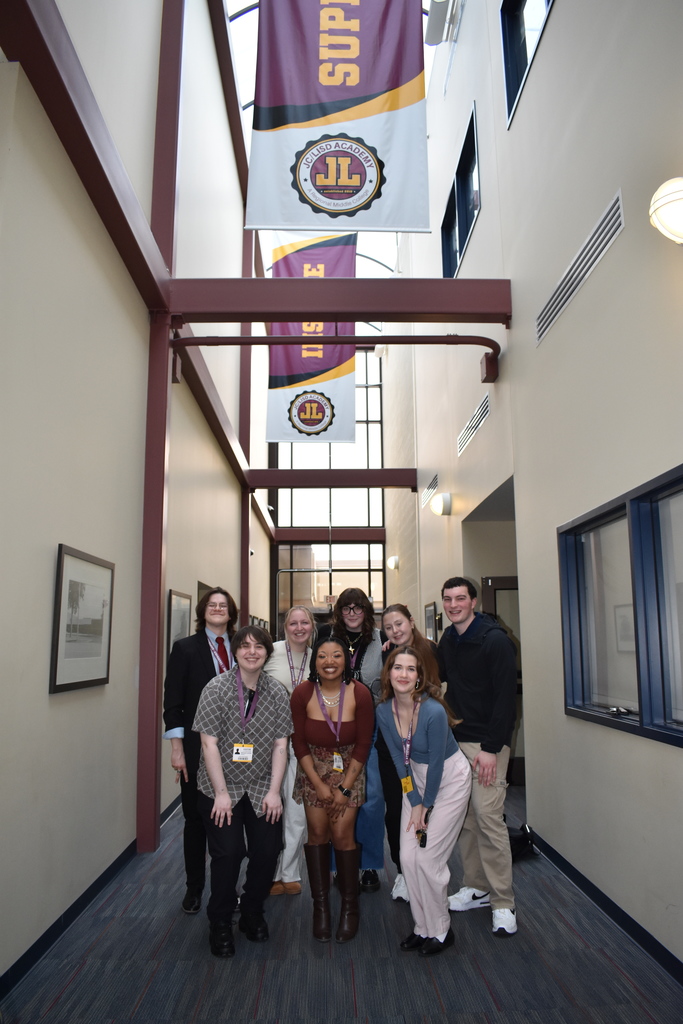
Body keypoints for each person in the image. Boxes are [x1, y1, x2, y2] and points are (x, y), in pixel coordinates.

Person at [192, 625, 292, 958]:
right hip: (221, 786)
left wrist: (275, 792)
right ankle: (220, 920)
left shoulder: (276, 692)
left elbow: (281, 744)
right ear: (235, 652)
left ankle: (251, 909)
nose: (252, 652)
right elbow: (208, 744)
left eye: (259, 646)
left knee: (268, 850)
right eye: (245, 646)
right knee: (229, 853)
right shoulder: (216, 688)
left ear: (267, 653)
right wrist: (221, 794)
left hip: (262, 784)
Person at [377, 645, 471, 955]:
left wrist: (425, 807)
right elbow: (398, 758)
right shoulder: (384, 711)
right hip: (415, 783)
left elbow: (438, 763)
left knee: (428, 859)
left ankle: (441, 930)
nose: (403, 674)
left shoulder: (432, 711)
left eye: (410, 669)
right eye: (398, 667)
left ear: (419, 676)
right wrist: (414, 800)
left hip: (449, 781)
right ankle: (422, 927)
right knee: (407, 858)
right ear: (389, 673)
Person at [437, 577, 519, 936]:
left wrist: (491, 749)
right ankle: (476, 887)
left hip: (486, 744)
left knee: (488, 818)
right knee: (466, 819)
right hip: (456, 741)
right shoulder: (449, 639)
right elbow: (437, 676)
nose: (453, 605)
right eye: (448, 599)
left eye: (460, 598)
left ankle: (503, 902)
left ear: (473, 602)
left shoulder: (495, 641)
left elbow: (505, 701)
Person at [290, 636, 374, 943]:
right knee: (316, 834)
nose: (329, 662)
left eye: (336, 655)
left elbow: (363, 743)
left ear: (346, 660)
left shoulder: (360, 693)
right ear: (315, 662)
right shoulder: (302, 693)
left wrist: (344, 790)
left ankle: (350, 908)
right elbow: (298, 741)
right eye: (322, 656)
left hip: (350, 768)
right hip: (313, 768)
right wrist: (317, 783)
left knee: (341, 835)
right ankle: (321, 907)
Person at [163, 587, 238, 914]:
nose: (217, 609)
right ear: (203, 611)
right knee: (195, 821)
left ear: (231, 613)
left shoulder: (242, 646)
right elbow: (173, 704)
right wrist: (177, 749)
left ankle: (229, 888)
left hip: (238, 749)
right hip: (196, 748)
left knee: (234, 823)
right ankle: (194, 887)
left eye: (223, 605)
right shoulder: (185, 649)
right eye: (212, 604)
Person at [317, 588, 385, 893]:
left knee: (372, 798)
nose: (353, 613)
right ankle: (337, 864)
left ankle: (368, 864)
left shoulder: (382, 639)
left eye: (358, 607)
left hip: (371, 728)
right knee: (336, 795)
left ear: (366, 610)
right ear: (339, 611)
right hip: (334, 727)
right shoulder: (327, 636)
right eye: (347, 608)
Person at [380, 604, 441, 902]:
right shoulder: (387, 654)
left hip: (425, 747)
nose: (395, 631)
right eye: (388, 627)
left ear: (411, 622)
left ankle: (426, 867)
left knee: (428, 810)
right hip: (395, 746)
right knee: (396, 808)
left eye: (399, 624)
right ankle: (403, 871)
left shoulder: (431, 650)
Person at [264, 605, 315, 895]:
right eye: (293, 623)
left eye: (304, 623)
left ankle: (290, 872)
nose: (299, 628)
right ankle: (268, 872)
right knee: (268, 809)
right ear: (285, 627)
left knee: (296, 811)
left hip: (302, 743)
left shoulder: (318, 656)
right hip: (269, 742)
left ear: (312, 626)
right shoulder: (269, 652)